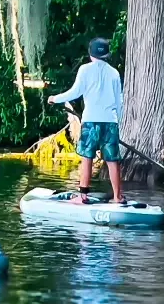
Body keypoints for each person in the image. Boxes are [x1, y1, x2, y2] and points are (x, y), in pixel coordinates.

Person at [48, 37, 125, 204]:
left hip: (90, 121)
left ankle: (82, 196)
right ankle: (118, 197)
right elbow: (120, 102)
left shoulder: (85, 69)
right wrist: (117, 121)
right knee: (112, 160)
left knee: (87, 158)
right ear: (107, 54)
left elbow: (75, 92)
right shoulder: (114, 73)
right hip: (110, 122)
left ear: (91, 54)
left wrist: (55, 98)